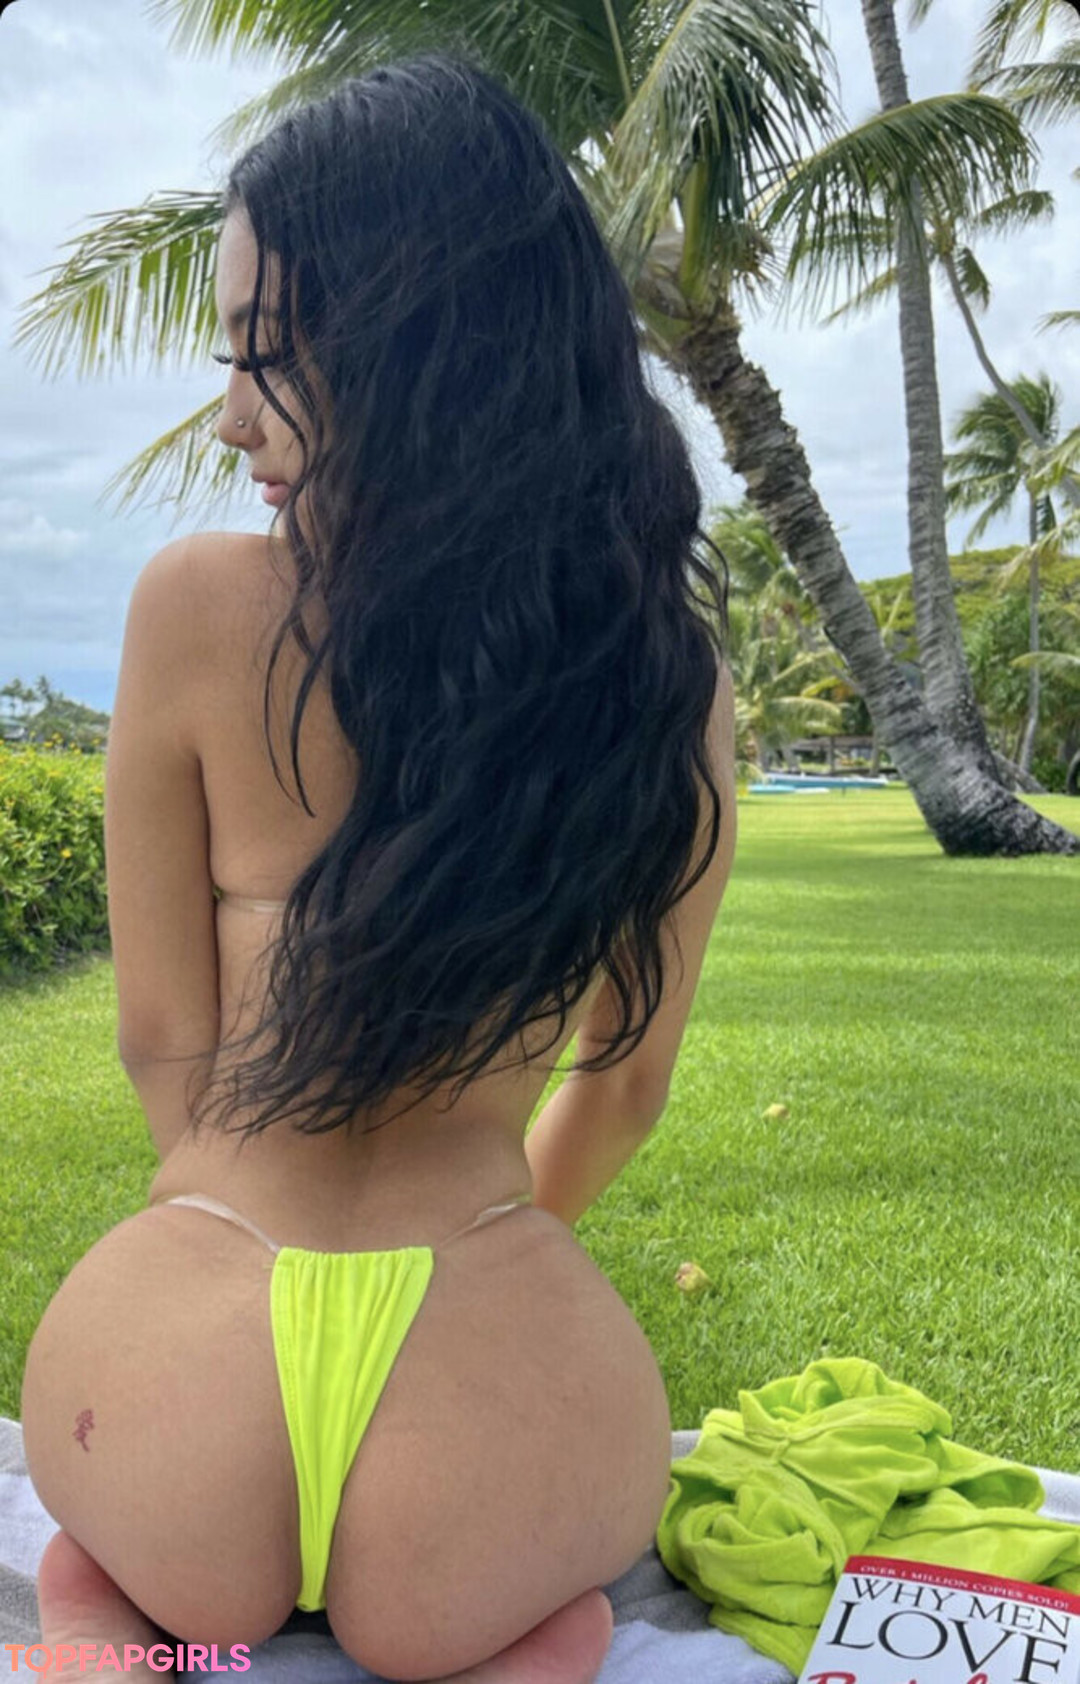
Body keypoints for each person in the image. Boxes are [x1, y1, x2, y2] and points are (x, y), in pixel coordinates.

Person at [21, 53, 736, 1684]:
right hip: (490, 1431)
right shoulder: (665, 683)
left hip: (173, 1393)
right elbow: (623, 1088)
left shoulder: (193, 606)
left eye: (268, 356)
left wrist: (219, 1221)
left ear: (425, 347)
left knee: (96, 1549)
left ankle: (101, 1631)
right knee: (545, 1605)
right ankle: (517, 1650)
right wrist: (484, 1253)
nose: (232, 417)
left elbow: (159, 1034)